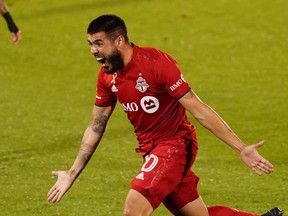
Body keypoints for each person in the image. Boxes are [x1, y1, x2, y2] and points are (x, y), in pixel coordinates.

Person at [47, 14, 284, 216]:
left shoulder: (156, 63)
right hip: (151, 150)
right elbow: (96, 126)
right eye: (90, 44)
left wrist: (240, 147)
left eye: (98, 43)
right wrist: (71, 173)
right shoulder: (107, 77)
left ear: (119, 41)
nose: (93, 51)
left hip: (175, 146)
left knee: (133, 208)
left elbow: (198, 108)